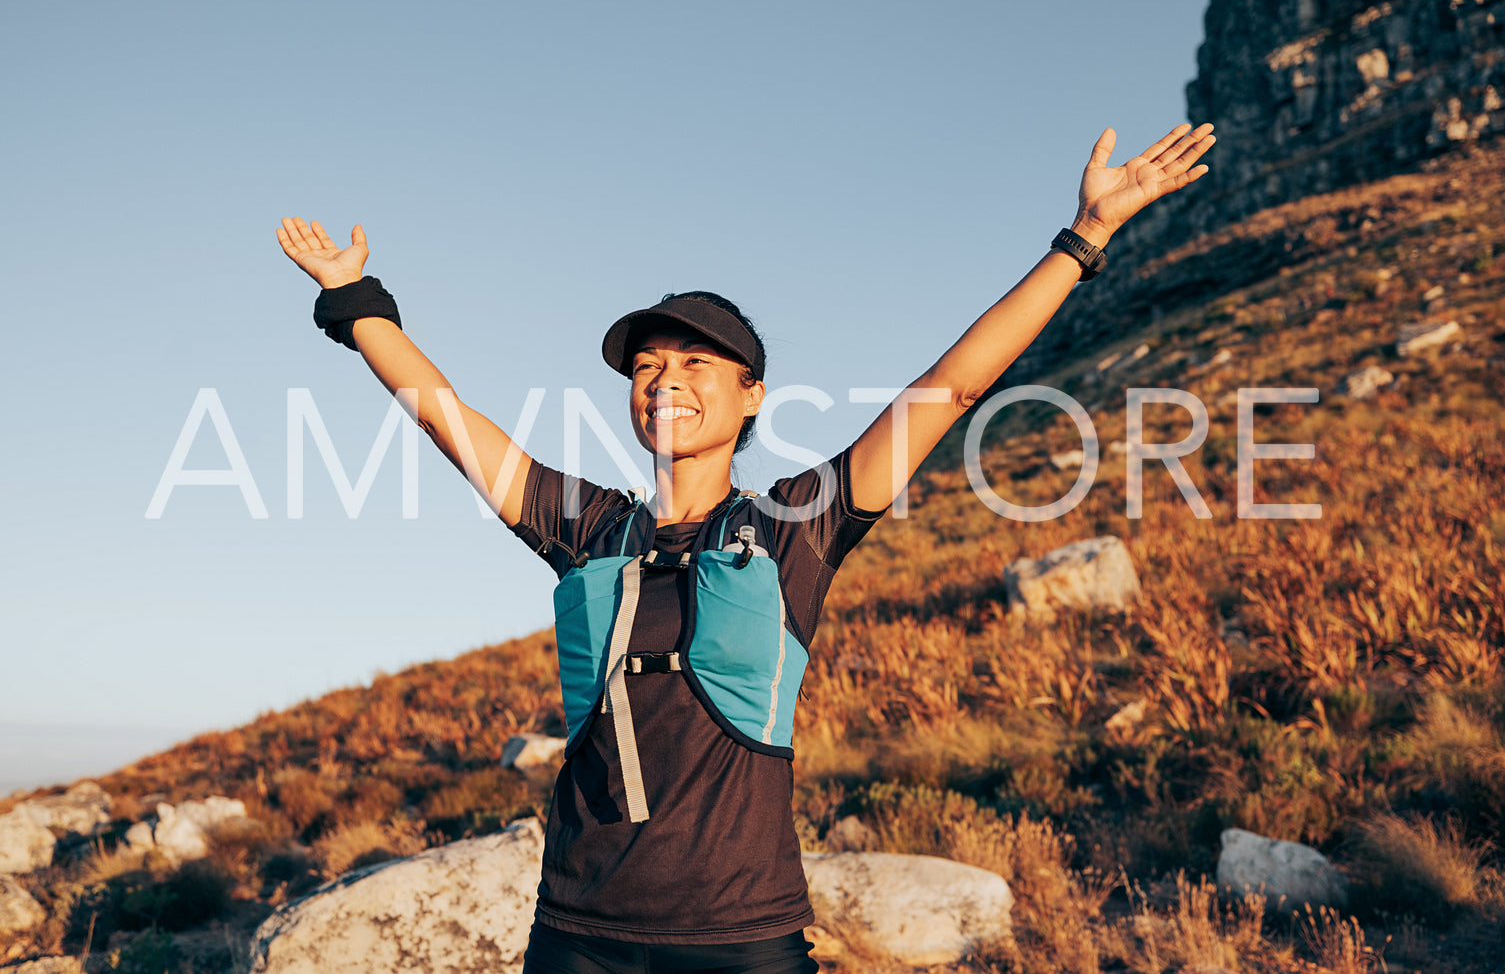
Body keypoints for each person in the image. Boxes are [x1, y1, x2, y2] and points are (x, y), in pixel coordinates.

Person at [276, 121, 1215, 974]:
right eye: (646, 366)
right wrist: (355, 302)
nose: (663, 381)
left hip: (742, 939)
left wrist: (1081, 239)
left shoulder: (795, 527)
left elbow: (952, 386)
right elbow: (446, 419)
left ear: (752, 394)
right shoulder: (588, 526)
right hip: (576, 932)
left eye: (694, 364)